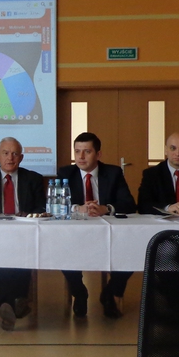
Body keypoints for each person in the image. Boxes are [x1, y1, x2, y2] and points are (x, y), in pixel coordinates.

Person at [57, 132, 137, 319]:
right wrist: (78, 208)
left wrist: (105, 208)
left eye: (87, 152)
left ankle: (110, 292)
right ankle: (79, 293)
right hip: (76, 234)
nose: (81, 157)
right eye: (77, 151)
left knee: (132, 250)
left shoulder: (113, 173)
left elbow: (129, 204)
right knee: (61, 250)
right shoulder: (65, 173)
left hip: (109, 233)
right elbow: (56, 205)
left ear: (98, 154)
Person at [0, 137, 46, 330]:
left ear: (21, 158)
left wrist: (28, 216)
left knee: (22, 254)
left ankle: (9, 304)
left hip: (25, 233)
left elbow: (41, 208)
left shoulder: (33, 179)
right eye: (5, 153)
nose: (10, 158)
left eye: (14, 154)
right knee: (0, 256)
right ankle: (14, 303)